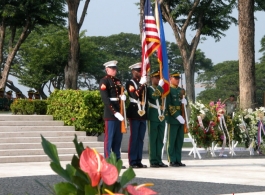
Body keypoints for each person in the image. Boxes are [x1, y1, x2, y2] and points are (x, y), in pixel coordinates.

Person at [99, 60, 126, 167]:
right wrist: (114, 112)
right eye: (112, 69)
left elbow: (119, 94)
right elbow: (105, 99)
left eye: (115, 69)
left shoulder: (117, 81)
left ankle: (116, 160)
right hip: (111, 114)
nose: (114, 70)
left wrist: (123, 97)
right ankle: (108, 161)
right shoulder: (104, 81)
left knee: (117, 139)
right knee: (109, 138)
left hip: (119, 112)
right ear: (107, 69)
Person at [126, 62, 148, 168]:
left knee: (141, 138)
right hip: (134, 112)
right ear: (133, 72)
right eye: (138, 71)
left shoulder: (143, 84)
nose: (140, 73)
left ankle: (139, 160)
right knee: (134, 138)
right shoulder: (130, 83)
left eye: (141, 71)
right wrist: (140, 85)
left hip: (143, 113)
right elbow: (135, 95)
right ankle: (133, 161)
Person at [147, 70, 168, 168]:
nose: (158, 79)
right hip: (153, 115)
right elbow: (153, 97)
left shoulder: (162, 89)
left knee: (160, 139)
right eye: (156, 77)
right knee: (153, 139)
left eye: (159, 78)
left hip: (162, 116)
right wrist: (159, 86)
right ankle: (153, 160)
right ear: (152, 78)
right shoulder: (149, 89)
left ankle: (159, 160)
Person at [166, 71, 187, 167]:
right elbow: (169, 105)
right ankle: (172, 159)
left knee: (179, 140)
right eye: (175, 78)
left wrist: (185, 102)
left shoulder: (181, 90)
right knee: (172, 140)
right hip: (173, 118)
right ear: (170, 78)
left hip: (181, 117)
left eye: (178, 78)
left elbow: (184, 106)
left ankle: (178, 159)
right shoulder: (169, 90)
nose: (177, 80)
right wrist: (176, 116)